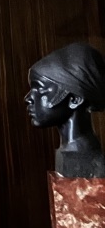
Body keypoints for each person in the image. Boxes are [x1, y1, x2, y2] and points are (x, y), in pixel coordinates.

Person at [26, 42, 105, 178]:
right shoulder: (70, 152)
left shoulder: (81, 157)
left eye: (40, 89)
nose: (28, 98)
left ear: (75, 99)